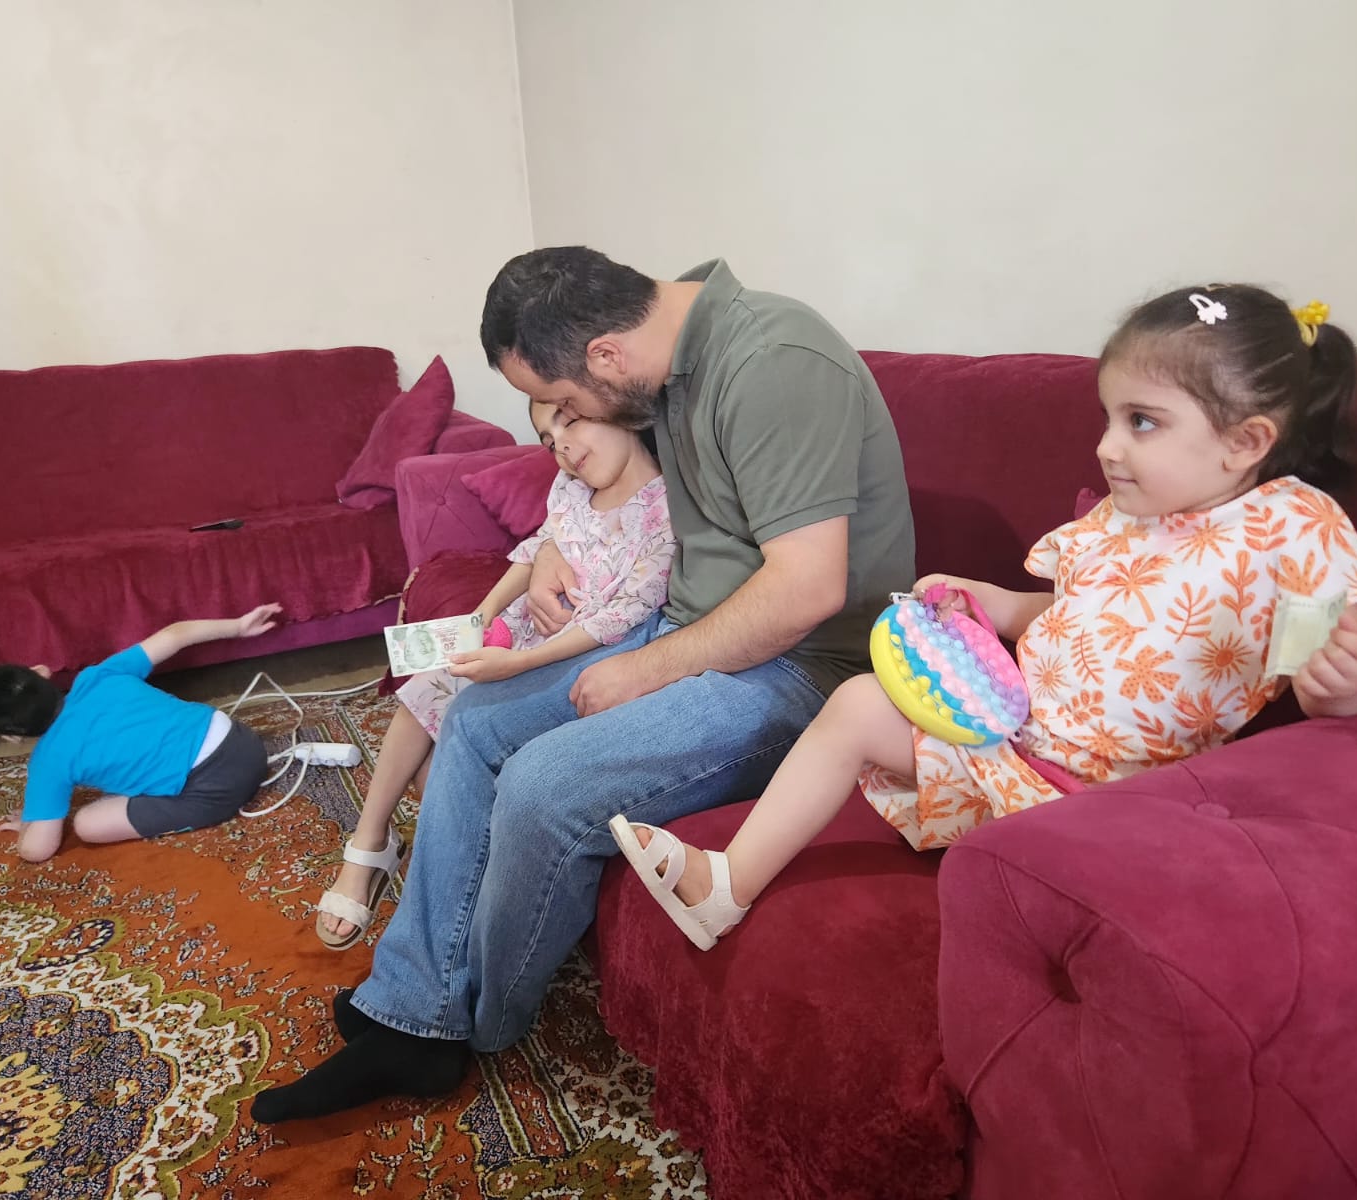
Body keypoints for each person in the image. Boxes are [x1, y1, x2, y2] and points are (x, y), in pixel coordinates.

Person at [250, 248, 914, 1122]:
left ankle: (475, 1025)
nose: (566, 429)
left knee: (543, 784)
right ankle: (414, 1007)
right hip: (691, 626)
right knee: (474, 719)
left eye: (567, 403)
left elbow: (807, 591)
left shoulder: (774, 364)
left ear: (606, 356)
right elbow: (607, 495)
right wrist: (552, 551)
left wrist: (642, 667)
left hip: (801, 667)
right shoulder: (663, 348)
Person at [611, 284, 1357, 950]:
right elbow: (1079, 611)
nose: (1108, 447)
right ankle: (726, 884)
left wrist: (1349, 686)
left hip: (1120, 805)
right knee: (856, 704)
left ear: (1245, 441)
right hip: (1013, 750)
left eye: (1142, 422)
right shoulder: (1128, 514)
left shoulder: (1295, 530)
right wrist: (996, 602)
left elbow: (1316, 677)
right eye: (1109, 418)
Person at [314, 398, 676, 948]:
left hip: (573, 659)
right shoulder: (571, 488)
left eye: (569, 421)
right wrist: (481, 618)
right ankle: (369, 841)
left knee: (448, 754)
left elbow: (621, 615)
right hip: (522, 636)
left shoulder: (665, 509)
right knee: (426, 692)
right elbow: (536, 549)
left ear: (614, 405)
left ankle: (451, 888)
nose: (561, 447)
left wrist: (519, 662)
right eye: (547, 440)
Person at [0, 604, 283, 864]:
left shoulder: (48, 761)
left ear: (11, 735)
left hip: (216, 791)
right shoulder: (99, 675)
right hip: (244, 743)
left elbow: (37, 849)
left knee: (86, 824)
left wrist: (30, 826)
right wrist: (238, 626)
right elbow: (176, 634)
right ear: (40, 672)